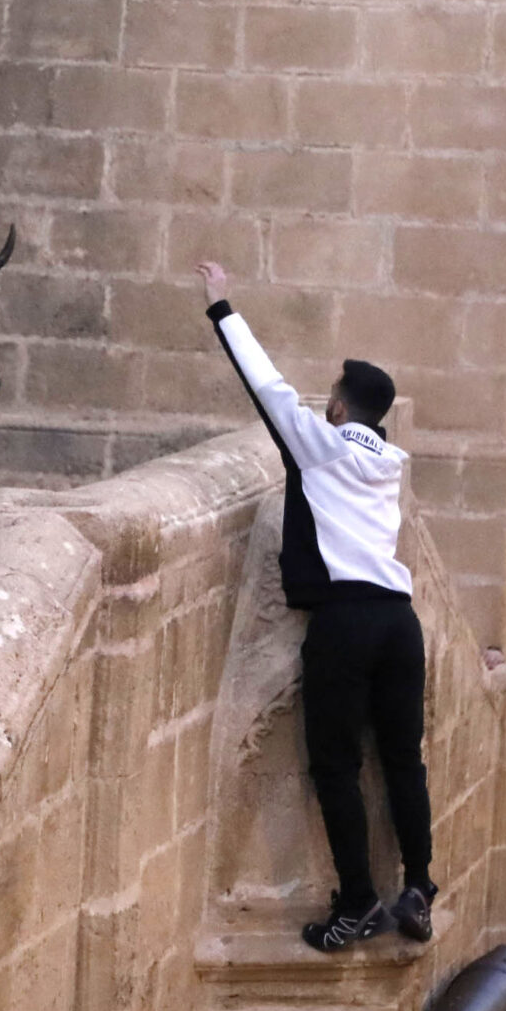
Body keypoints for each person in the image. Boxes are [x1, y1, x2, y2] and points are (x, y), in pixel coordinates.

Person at [197, 261, 436, 953]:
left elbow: (265, 384)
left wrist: (221, 306)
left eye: (329, 396)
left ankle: (358, 900)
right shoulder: (389, 462)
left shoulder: (321, 445)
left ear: (337, 409)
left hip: (346, 622)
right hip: (401, 621)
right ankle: (418, 886)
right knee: (402, 760)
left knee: (333, 763)